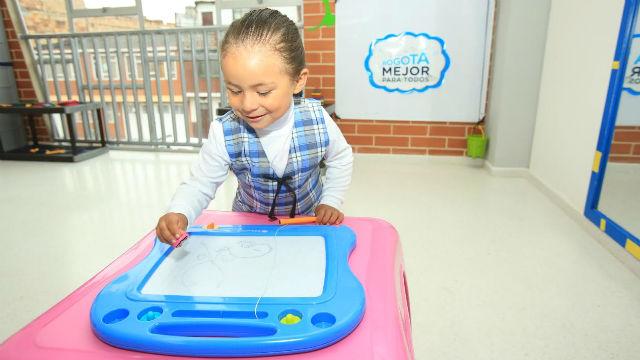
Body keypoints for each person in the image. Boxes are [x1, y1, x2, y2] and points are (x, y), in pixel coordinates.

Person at [155, 8, 353, 246]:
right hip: (249, 230)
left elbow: (341, 158)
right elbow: (201, 182)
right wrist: (179, 211)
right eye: (235, 91)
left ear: (298, 80)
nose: (247, 105)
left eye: (263, 92)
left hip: (308, 225)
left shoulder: (317, 118)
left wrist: (330, 200)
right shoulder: (224, 131)